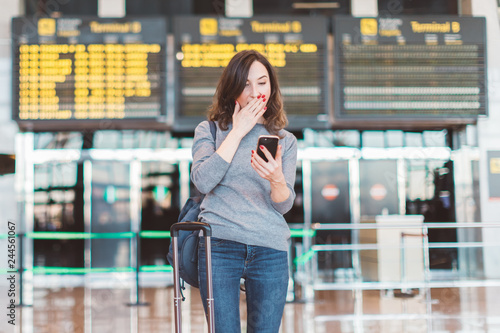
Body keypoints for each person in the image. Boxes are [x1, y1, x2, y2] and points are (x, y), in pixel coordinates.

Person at [191, 49, 298, 332]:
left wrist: (276, 179)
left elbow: (284, 205)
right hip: (220, 245)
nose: (254, 92)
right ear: (233, 89)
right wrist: (238, 131)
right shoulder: (210, 130)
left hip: (270, 248)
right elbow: (203, 181)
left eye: (262, 82)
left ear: (272, 87)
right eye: (246, 84)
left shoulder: (285, 140)